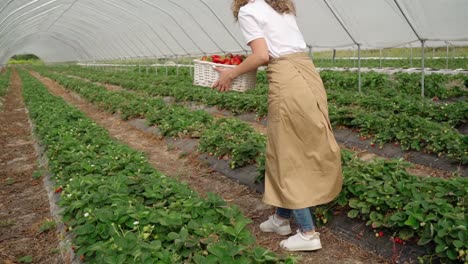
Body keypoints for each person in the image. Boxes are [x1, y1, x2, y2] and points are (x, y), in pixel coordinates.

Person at [212, 0, 343, 251]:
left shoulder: (249, 11)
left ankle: (308, 233)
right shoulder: (281, 7)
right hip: (308, 76)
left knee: (289, 153)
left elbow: (262, 55)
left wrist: (231, 73)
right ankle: (281, 219)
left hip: (287, 80)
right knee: (289, 146)